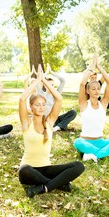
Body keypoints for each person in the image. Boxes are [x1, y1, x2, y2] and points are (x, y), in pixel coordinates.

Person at [18, 65, 85, 197]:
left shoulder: (49, 123)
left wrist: (45, 81)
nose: (41, 107)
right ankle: (58, 184)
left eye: (43, 104)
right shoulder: (26, 123)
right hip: (29, 170)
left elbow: (59, 99)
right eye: (37, 105)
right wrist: (37, 81)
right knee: (24, 170)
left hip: (46, 169)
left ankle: (44, 188)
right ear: (31, 108)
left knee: (78, 166)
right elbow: (22, 99)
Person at [74, 58, 109, 162]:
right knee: (77, 142)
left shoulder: (103, 104)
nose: (96, 91)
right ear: (88, 91)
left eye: (98, 88)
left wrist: (99, 66)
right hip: (85, 141)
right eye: (93, 89)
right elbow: (82, 83)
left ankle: (94, 154)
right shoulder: (84, 104)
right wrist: (92, 66)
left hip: (101, 141)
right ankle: (107, 152)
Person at [25, 65, 77, 132]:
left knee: (73, 112)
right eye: (48, 84)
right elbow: (39, 79)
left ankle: (57, 127)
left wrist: (52, 72)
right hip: (46, 120)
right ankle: (60, 126)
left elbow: (63, 81)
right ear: (45, 85)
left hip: (55, 118)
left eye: (52, 85)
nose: (50, 86)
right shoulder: (40, 93)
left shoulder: (56, 93)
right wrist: (43, 74)